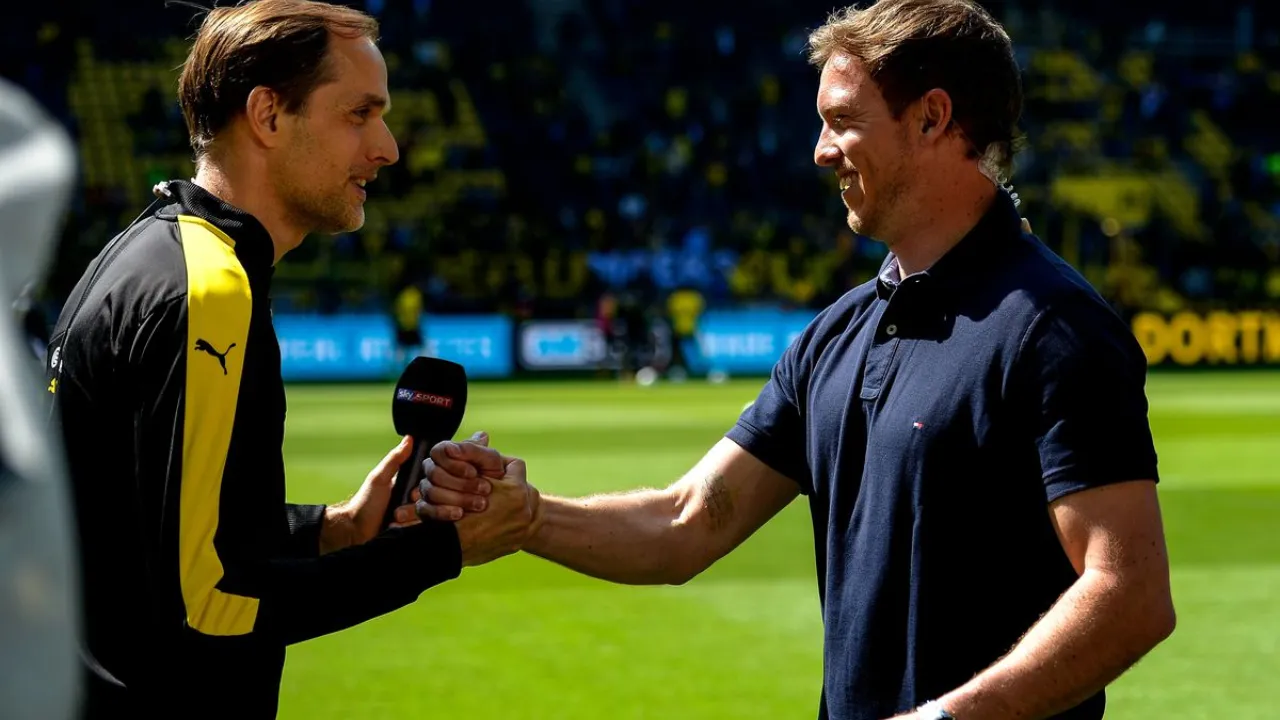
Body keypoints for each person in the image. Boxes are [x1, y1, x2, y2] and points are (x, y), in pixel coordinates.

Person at [408, 1, 1175, 719]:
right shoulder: (836, 335)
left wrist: (944, 717)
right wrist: (529, 517)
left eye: (843, 122)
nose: (819, 151)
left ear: (933, 118)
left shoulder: (1055, 328)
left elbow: (1129, 592)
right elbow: (687, 522)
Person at [43, 2, 538, 718]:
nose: (389, 147)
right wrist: (443, 552)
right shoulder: (209, 292)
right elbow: (206, 611)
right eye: (359, 114)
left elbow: (145, 536)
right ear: (269, 116)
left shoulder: (149, 252)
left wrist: (335, 529)